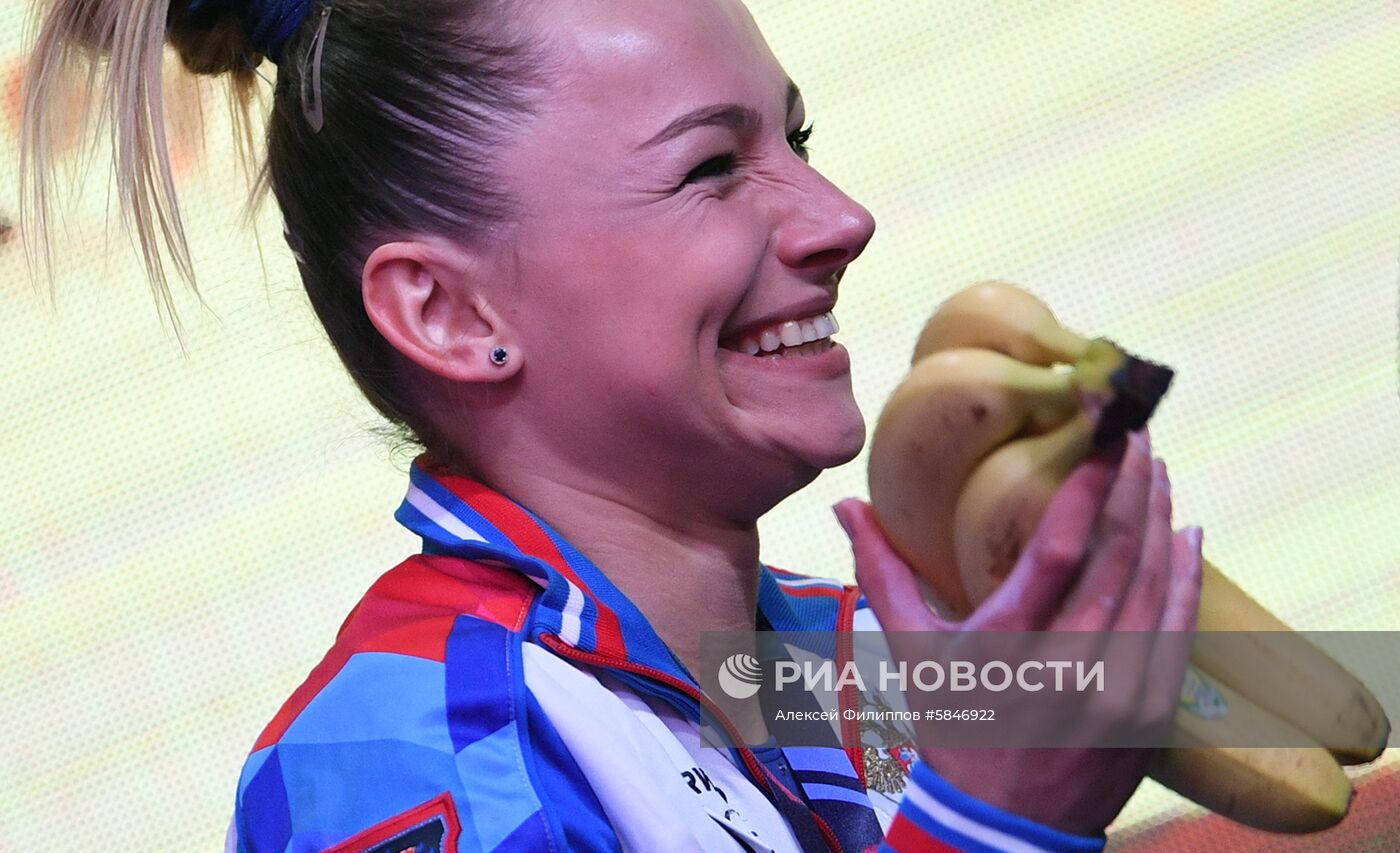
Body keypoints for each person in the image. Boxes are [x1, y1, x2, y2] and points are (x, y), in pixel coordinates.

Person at [22, 0, 1203, 850]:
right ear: (447, 311)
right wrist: (987, 825)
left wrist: (1118, 604)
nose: (841, 217)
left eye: (794, 142)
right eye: (708, 168)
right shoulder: (396, 760)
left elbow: (1311, 730)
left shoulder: (845, 653)